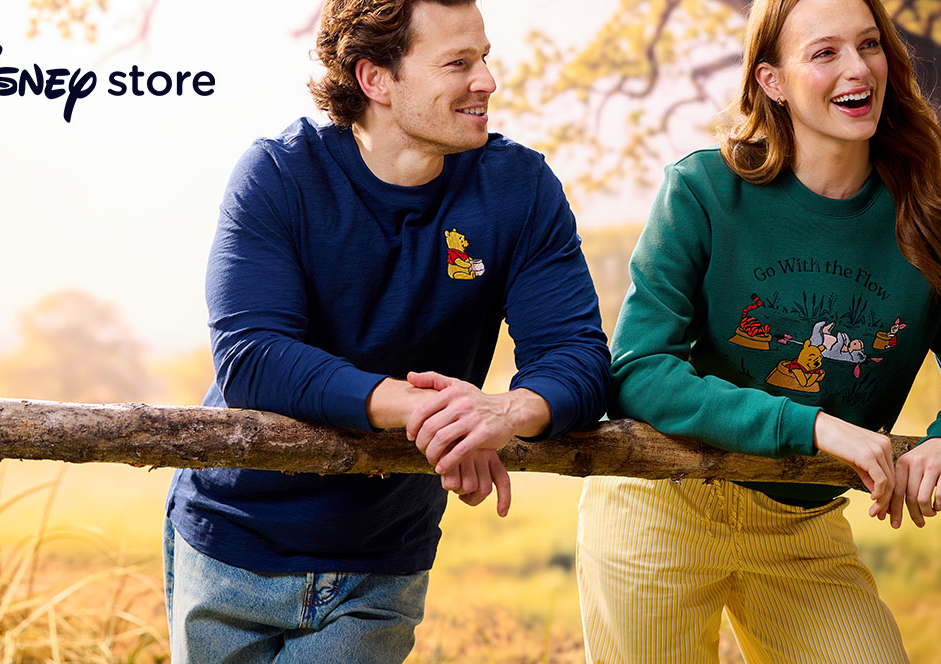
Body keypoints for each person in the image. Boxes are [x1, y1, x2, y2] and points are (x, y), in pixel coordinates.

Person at [576, 0, 941, 661]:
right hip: (663, 503)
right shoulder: (704, 190)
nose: (858, 68)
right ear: (772, 81)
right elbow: (639, 371)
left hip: (802, 525)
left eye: (869, 45)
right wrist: (814, 426)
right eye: (824, 52)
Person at [162, 0, 610, 661]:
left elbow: (577, 357)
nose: (486, 80)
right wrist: (432, 412)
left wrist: (503, 412)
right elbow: (253, 357)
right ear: (375, 79)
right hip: (233, 544)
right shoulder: (279, 175)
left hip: (382, 560)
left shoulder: (518, 189)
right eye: (458, 63)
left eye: (484, 57)